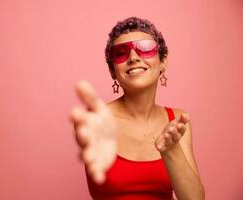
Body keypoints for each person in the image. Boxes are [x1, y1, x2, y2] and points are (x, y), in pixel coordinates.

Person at [70, 17, 205, 200]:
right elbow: (85, 134)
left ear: (163, 61)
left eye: (145, 48)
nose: (133, 57)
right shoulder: (99, 120)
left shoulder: (178, 121)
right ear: (113, 71)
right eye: (121, 53)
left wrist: (171, 151)